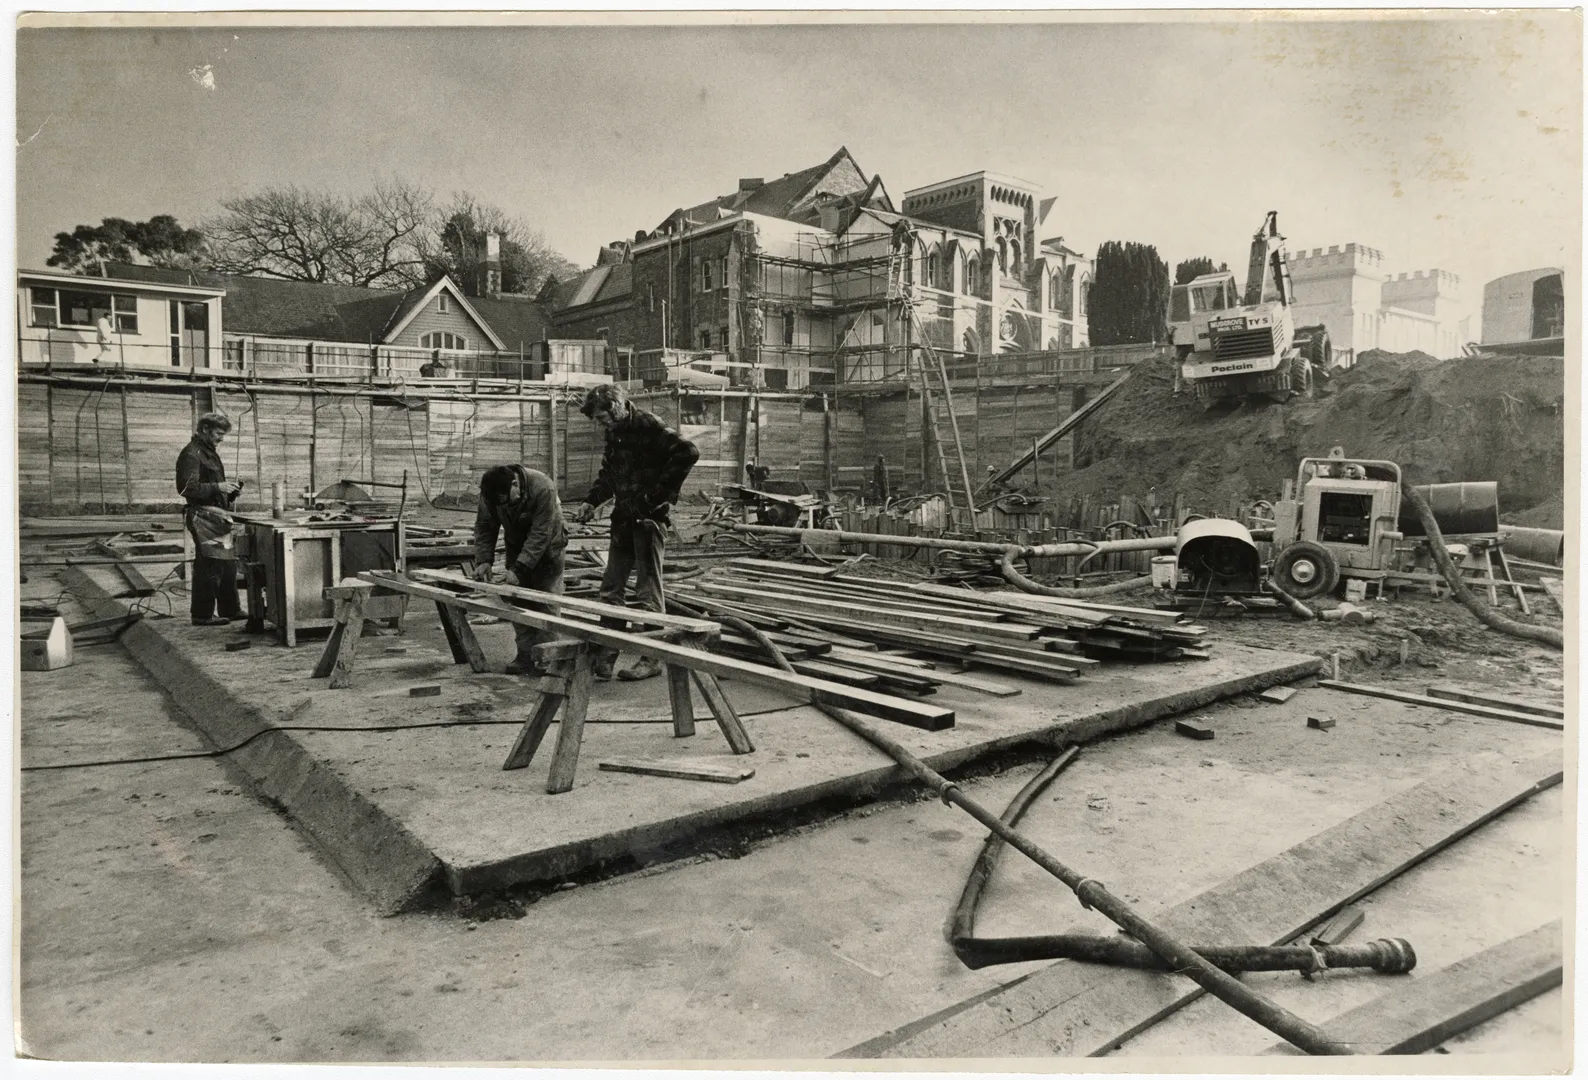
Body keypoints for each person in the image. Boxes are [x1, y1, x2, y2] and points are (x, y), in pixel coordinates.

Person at [573, 383, 699, 681]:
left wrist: (655, 497)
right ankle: (606, 654)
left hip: (648, 520)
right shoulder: (614, 431)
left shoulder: (648, 425)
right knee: (611, 588)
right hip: (622, 518)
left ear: (616, 407)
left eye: (602, 417)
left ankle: (652, 657)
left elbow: (688, 452)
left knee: (647, 591)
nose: (599, 424)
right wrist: (591, 502)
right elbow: (609, 474)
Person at [472, 464, 567, 676]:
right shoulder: (491, 493)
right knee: (518, 600)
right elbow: (485, 526)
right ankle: (525, 655)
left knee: (546, 600)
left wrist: (519, 568)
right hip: (517, 543)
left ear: (515, 484)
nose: (504, 505)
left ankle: (547, 657)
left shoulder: (543, 487)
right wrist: (483, 560)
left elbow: (541, 534)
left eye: (506, 500)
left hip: (549, 547)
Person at [176, 413, 242, 626]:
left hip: (215, 515)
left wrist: (229, 491)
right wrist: (218, 487)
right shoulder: (192, 454)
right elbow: (187, 488)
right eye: (218, 433)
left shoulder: (208, 453)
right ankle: (202, 615)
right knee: (209, 565)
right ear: (204, 429)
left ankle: (230, 610)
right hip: (202, 516)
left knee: (228, 565)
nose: (221, 438)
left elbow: (210, 486)